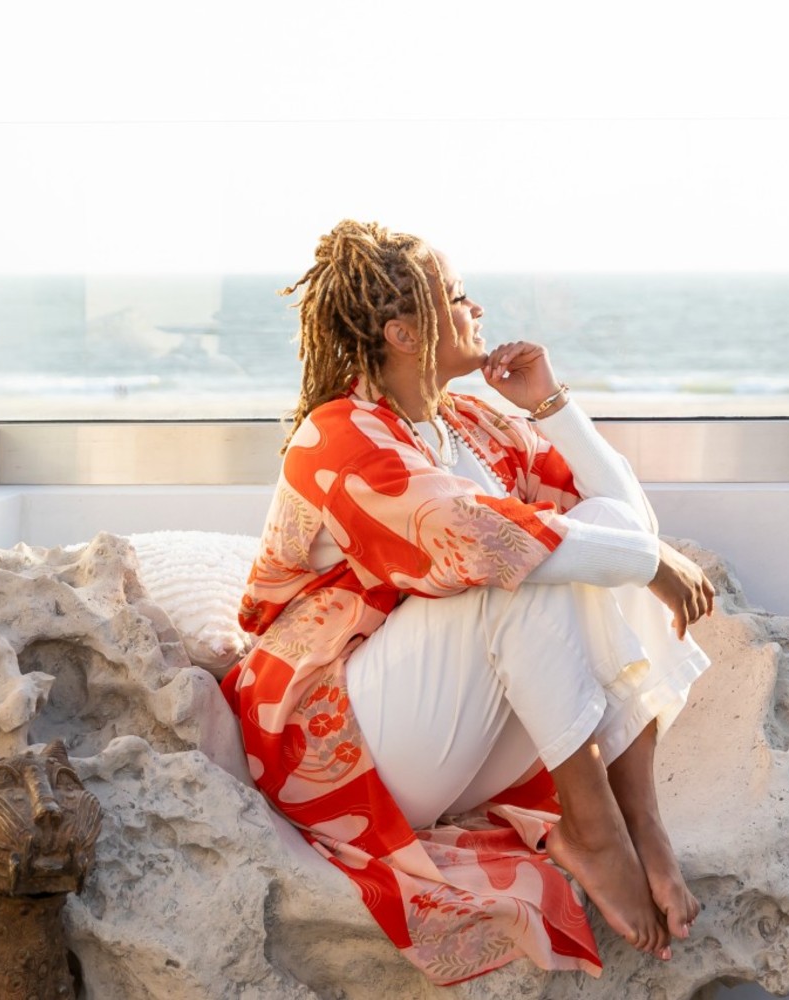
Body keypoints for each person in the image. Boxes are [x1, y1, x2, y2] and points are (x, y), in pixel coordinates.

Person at [220, 219, 716, 985]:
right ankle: (591, 830)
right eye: (455, 298)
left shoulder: (473, 425)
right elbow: (479, 539)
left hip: (443, 733)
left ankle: (639, 823)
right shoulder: (337, 438)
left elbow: (623, 523)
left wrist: (550, 402)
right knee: (520, 571)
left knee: (591, 547)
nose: (475, 307)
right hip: (337, 743)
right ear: (404, 333)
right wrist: (650, 561)